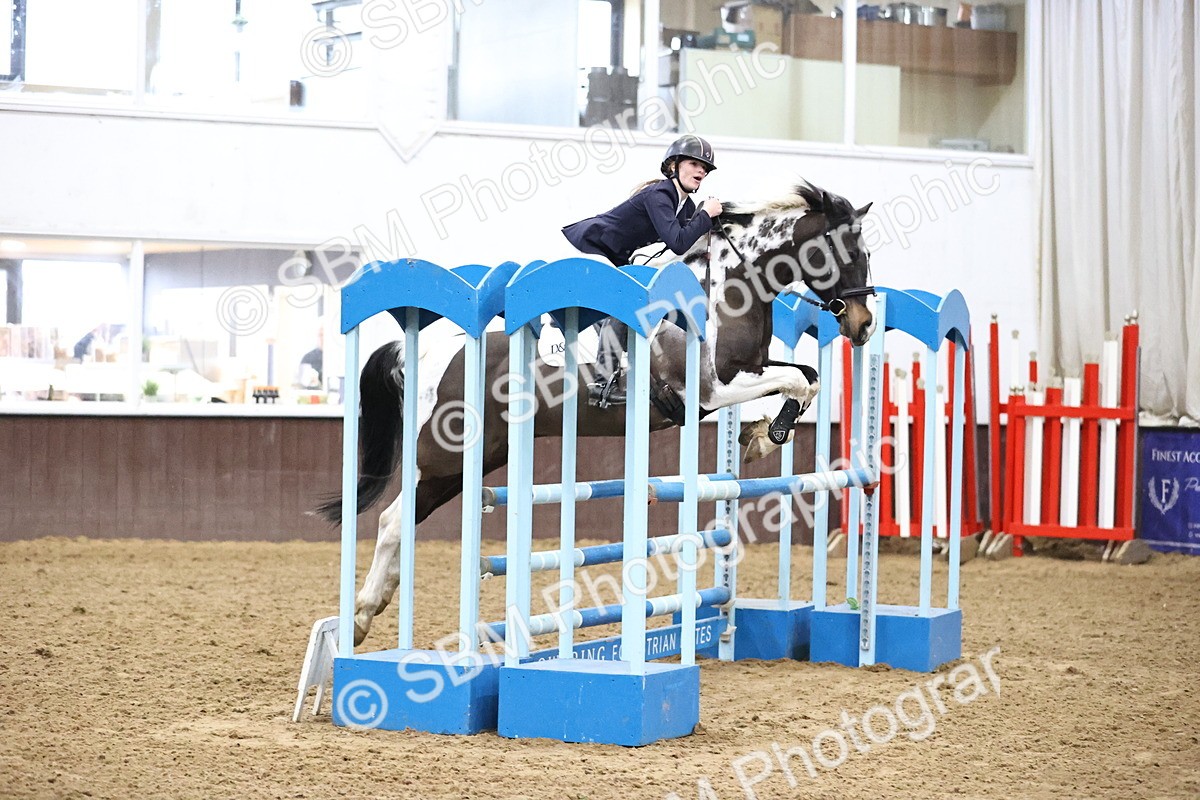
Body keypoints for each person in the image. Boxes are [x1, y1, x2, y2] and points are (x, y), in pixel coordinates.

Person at [562, 135, 723, 407]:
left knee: (631, 309)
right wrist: (705, 215)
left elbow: (685, 244)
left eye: (705, 168)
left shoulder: (684, 206)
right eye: (695, 164)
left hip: (615, 258)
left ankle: (609, 361)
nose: (701, 171)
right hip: (592, 249)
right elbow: (678, 241)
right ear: (674, 165)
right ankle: (601, 384)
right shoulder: (660, 195)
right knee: (623, 303)